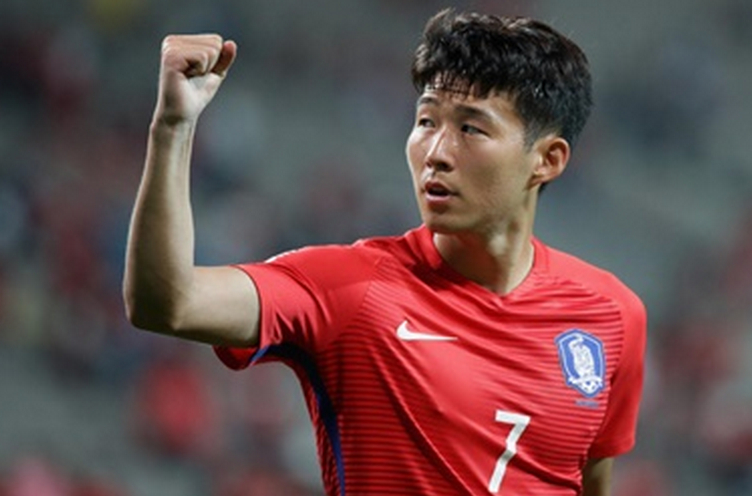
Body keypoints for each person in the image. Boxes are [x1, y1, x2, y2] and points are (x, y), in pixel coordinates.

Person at [123, 8, 647, 496]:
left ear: (547, 159)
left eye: (471, 128)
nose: (436, 153)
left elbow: (589, 482)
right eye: (426, 121)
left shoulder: (612, 316)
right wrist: (173, 128)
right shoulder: (352, 290)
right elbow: (168, 303)